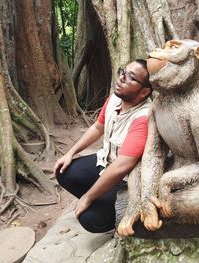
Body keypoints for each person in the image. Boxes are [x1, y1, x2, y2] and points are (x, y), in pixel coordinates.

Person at [53, 59, 153, 233]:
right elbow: (98, 127)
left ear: (144, 91)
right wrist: (70, 152)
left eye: (131, 77)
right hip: (104, 162)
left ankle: (110, 210)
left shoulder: (143, 118)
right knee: (64, 171)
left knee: (90, 220)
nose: (122, 78)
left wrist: (87, 197)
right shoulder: (115, 98)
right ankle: (101, 200)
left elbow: (122, 166)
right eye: (123, 72)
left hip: (124, 181)